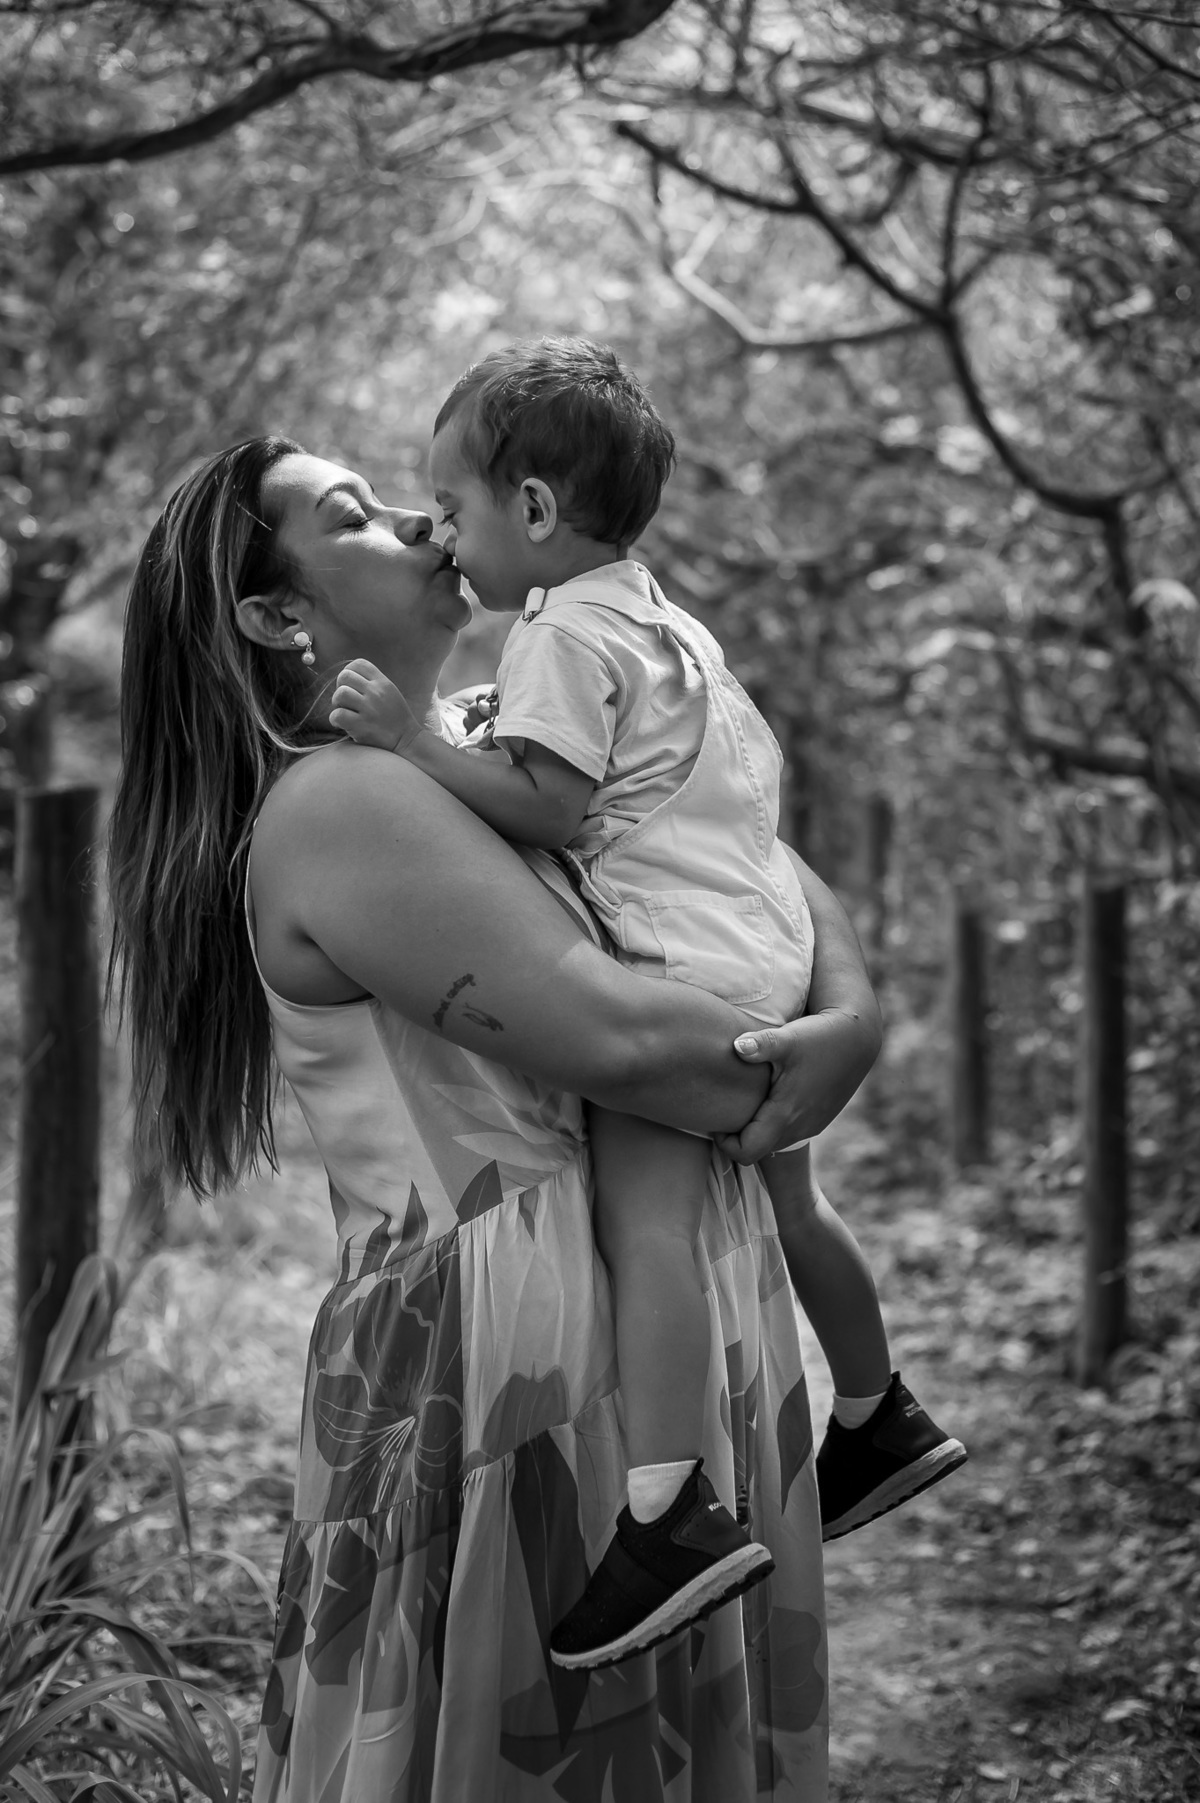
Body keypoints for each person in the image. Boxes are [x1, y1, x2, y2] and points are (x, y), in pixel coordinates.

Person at [107, 434, 882, 1801]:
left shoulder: (485, 747)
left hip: (644, 1316)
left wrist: (858, 1014)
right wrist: (806, 1044)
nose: (419, 516)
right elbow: (646, 1048)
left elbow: (747, 850)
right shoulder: (344, 805)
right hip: (516, 1373)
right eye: (355, 516)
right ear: (279, 616)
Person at [330, 340, 967, 1666]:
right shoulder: (666, 622)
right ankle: (876, 1408)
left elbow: (552, 804)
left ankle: (667, 1510)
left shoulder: (562, 635)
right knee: (793, 1194)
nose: (444, 541)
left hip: (682, 967)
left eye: (452, 510)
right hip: (763, 940)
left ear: (539, 512)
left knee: (651, 1222)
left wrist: (405, 739)